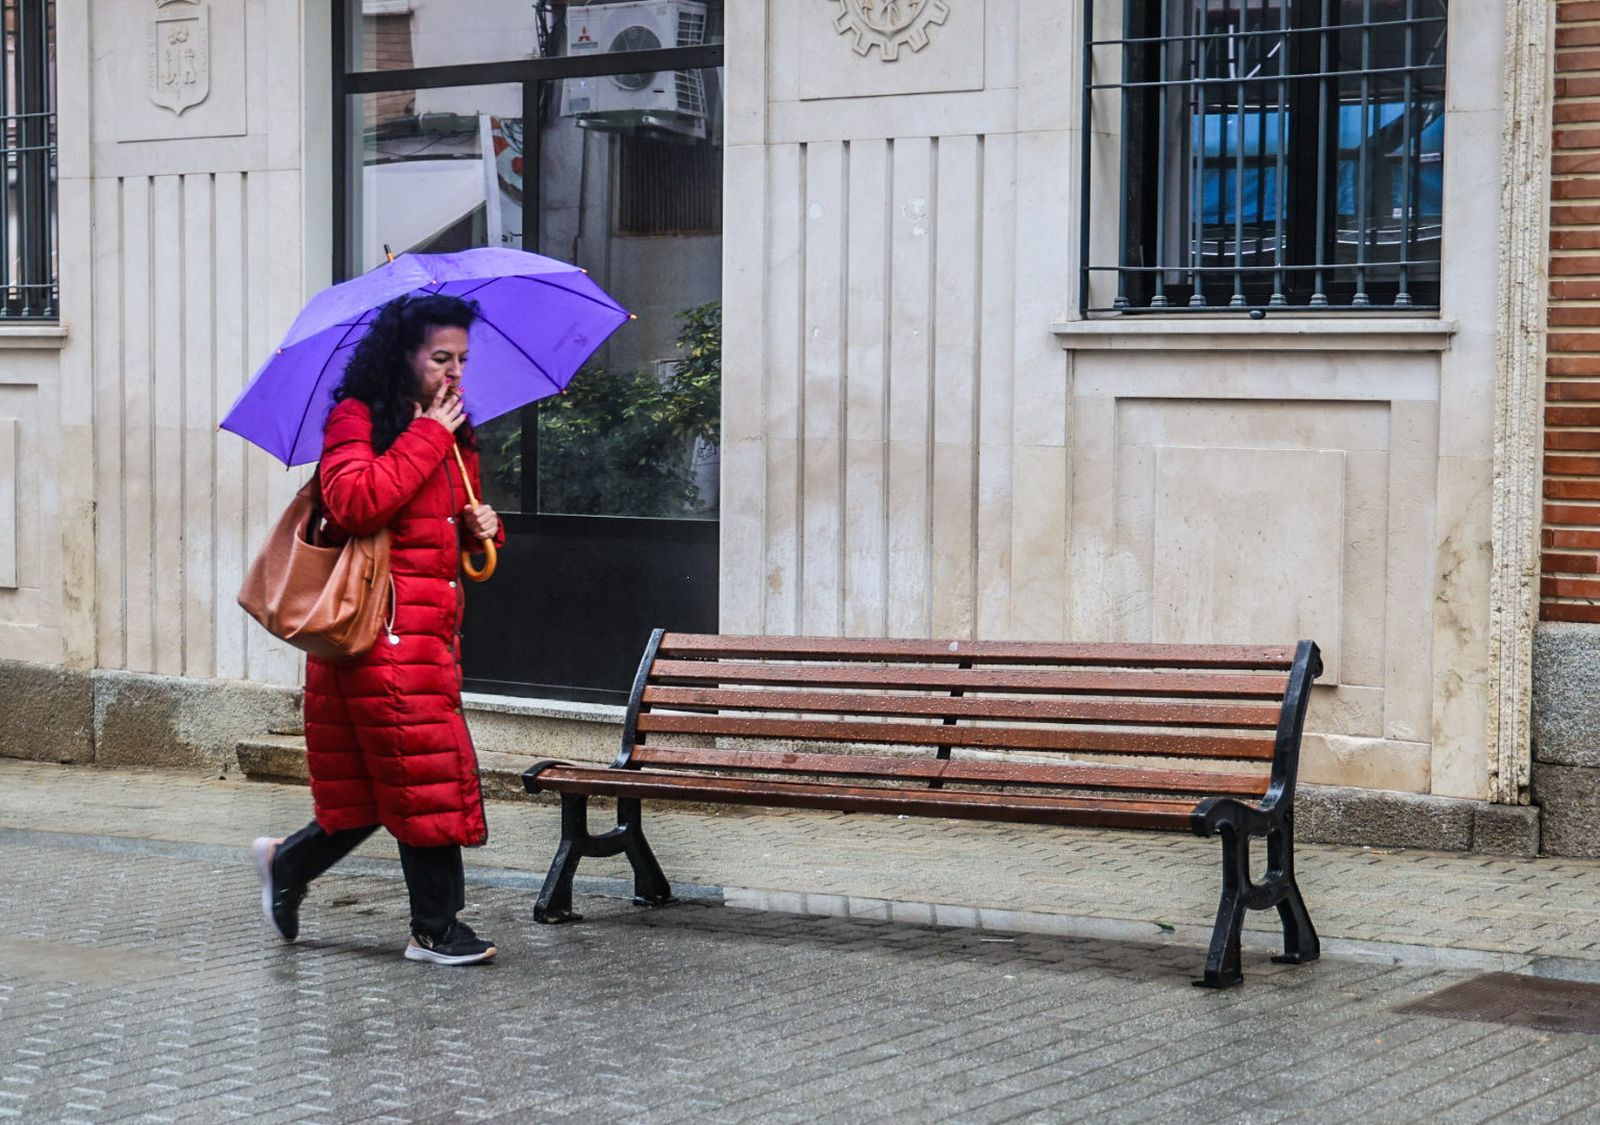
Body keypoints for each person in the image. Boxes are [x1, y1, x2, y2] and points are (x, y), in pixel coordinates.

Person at [251, 293, 505, 966]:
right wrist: (429, 436)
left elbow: (440, 532)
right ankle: (437, 931)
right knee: (426, 774)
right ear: (403, 355)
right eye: (441, 357)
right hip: (377, 635)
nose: (454, 372)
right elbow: (353, 503)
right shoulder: (357, 417)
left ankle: (286, 865)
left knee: (371, 792)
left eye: (462, 359)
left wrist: (483, 525)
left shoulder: (452, 429)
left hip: (426, 634)